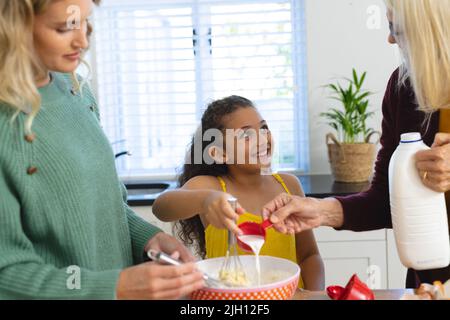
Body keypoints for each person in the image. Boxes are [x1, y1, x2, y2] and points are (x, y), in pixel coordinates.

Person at [0, 0, 204, 299]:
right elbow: (7, 275)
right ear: (13, 27)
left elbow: (106, 208)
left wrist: (150, 238)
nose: (82, 40)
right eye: (63, 27)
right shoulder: (7, 124)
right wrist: (114, 287)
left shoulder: (76, 90)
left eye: (85, 22)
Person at [261, 0, 450, 288]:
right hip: (432, 284)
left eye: (395, 27)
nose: (390, 38)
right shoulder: (402, 88)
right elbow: (385, 202)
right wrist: (320, 210)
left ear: (428, 28)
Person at [153, 96, 325, 290]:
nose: (261, 139)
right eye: (246, 136)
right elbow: (161, 207)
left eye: (263, 128)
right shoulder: (212, 187)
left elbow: (309, 255)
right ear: (219, 153)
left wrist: (314, 294)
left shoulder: (288, 185)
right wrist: (206, 200)